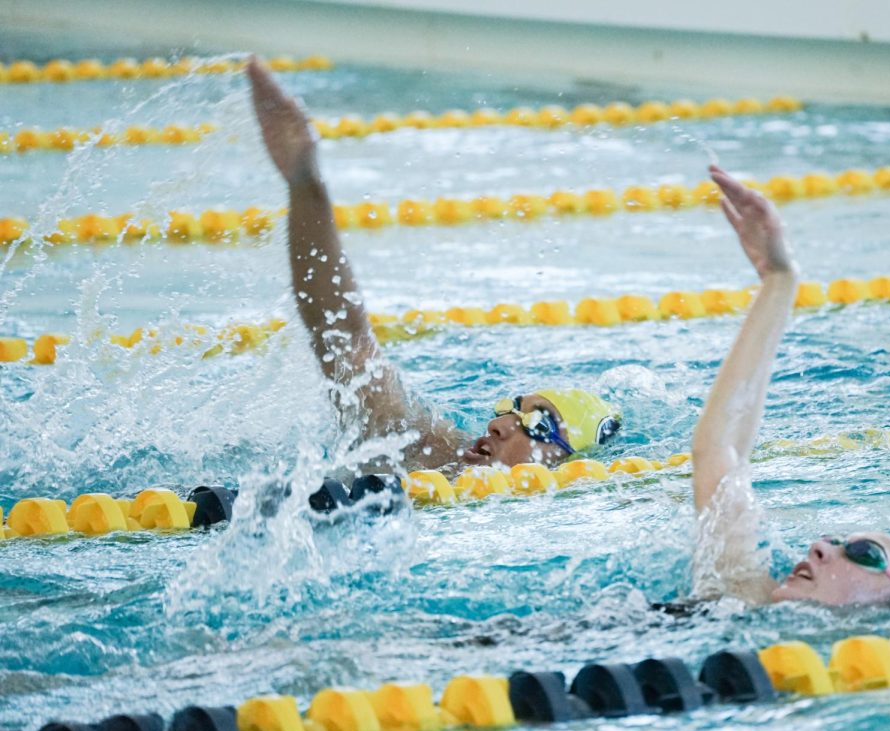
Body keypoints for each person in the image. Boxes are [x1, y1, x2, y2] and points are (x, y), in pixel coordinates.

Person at [246, 58, 619, 475]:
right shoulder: (427, 450)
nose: (497, 425)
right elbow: (344, 338)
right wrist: (305, 183)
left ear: (569, 461)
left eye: (538, 423)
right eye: (509, 410)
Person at [689, 165, 890, 610]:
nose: (819, 547)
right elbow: (721, 451)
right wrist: (779, 281)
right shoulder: (745, 595)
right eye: (838, 542)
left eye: (864, 555)